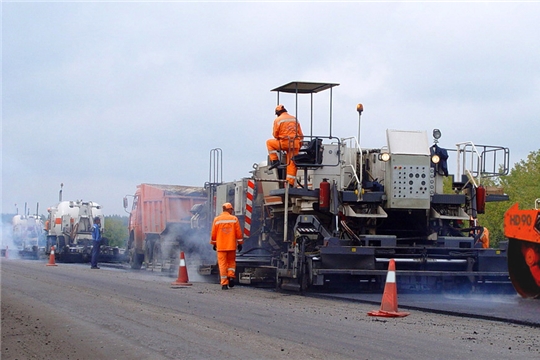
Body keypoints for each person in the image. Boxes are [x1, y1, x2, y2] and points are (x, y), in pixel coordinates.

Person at [266, 104, 304, 187]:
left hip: (284, 143)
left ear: (278, 113)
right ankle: (289, 183)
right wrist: (299, 144)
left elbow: (275, 135)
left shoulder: (278, 120)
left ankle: (275, 161)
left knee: (269, 143)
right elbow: (301, 135)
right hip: (295, 144)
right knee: (292, 163)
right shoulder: (294, 119)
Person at [210, 202, 243, 290]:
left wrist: (214, 243)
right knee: (231, 262)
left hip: (221, 246)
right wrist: (240, 244)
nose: (232, 211)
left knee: (222, 264)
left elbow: (213, 233)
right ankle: (231, 276)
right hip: (231, 245)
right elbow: (238, 233)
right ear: (228, 209)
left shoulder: (217, 220)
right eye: (231, 209)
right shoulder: (234, 219)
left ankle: (224, 284)